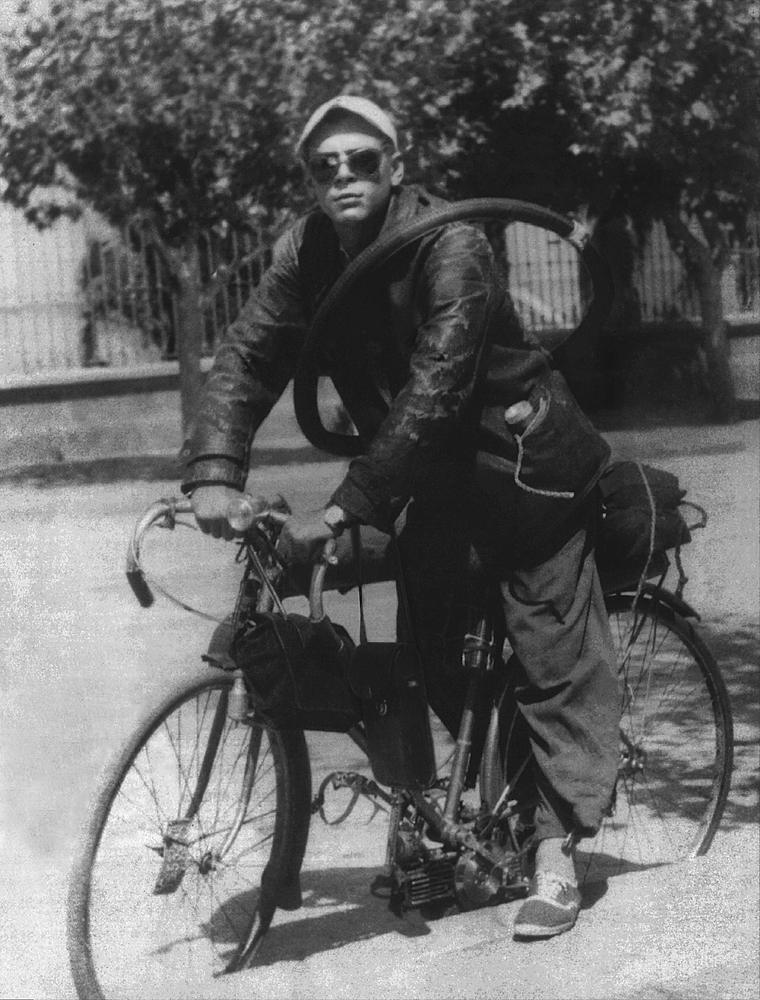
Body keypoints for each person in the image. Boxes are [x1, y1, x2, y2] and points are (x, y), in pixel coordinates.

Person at [181, 95, 620, 939]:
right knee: (438, 657)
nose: (343, 177)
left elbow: (437, 388)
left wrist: (348, 506)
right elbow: (246, 354)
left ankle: (562, 856)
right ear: (310, 178)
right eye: (325, 167)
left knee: (550, 655)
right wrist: (213, 472)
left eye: (362, 160)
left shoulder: (453, 244)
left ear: (397, 163)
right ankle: (483, 809)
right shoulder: (307, 251)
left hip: (528, 471)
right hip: (435, 477)